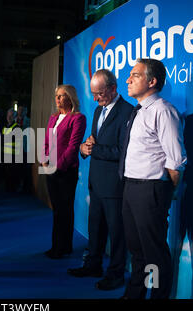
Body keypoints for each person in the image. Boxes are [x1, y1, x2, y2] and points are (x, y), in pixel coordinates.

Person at [119, 58, 187, 299]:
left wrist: (164, 192)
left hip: (151, 190)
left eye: (135, 75)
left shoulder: (164, 111)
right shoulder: (137, 111)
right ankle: (135, 294)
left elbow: (176, 160)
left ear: (152, 81)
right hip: (130, 187)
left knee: (154, 254)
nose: (127, 80)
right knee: (137, 250)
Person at [67, 69, 133, 290]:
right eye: (93, 94)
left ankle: (115, 275)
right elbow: (94, 142)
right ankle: (92, 265)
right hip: (96, 183)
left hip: (114, 186)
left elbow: (124, 151)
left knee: (117, 234)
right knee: (95, 229)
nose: (95, 98)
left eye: (100, 94)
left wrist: (95, 149)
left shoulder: (128, 112)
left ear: (113, 88)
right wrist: (84, 148)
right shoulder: (98, 110)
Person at [42, 84, 86, 259]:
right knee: (57, 210)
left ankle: (63, 247)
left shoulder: (78, 118)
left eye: (61, 96)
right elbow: (46, 142)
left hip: (66, 171)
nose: (58, 99)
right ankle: (57, 246)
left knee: (64, 209)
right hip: (50, 169)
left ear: (70, 98)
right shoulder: (53, 118)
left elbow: (72, 147)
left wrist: (57, 166)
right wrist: (44, 160)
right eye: (57, 96)